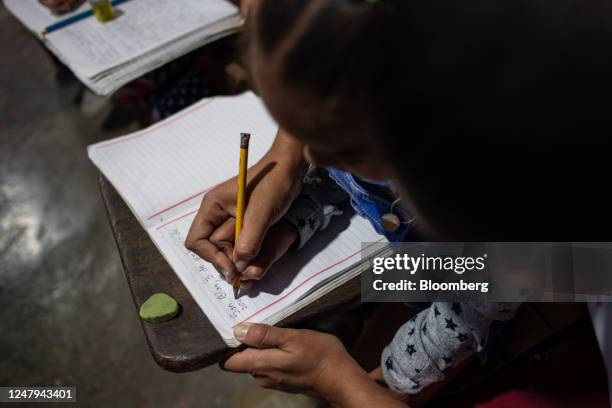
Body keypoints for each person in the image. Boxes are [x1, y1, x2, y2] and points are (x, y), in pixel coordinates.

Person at [187, 0, 612, 404]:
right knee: (388, 278)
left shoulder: (509, 233)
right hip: (483, 269)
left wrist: (356, 385)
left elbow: (477, 296)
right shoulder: (397, 117)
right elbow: (349, 186)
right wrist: (294, 222)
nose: (311, 159)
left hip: (489, 284)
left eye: (340, 148)